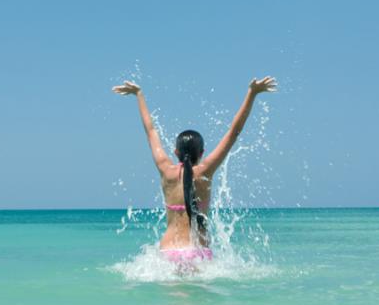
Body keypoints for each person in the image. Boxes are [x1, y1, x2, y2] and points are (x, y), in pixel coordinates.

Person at [112, 76, 277, 264]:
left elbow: (151, 131)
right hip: (197, 252)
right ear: (202, 153)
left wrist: (138, 94)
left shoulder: (166, 170)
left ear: (175, 152)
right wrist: (252, 93)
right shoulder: (205, 172)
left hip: (168, 252)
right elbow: (233, 132)